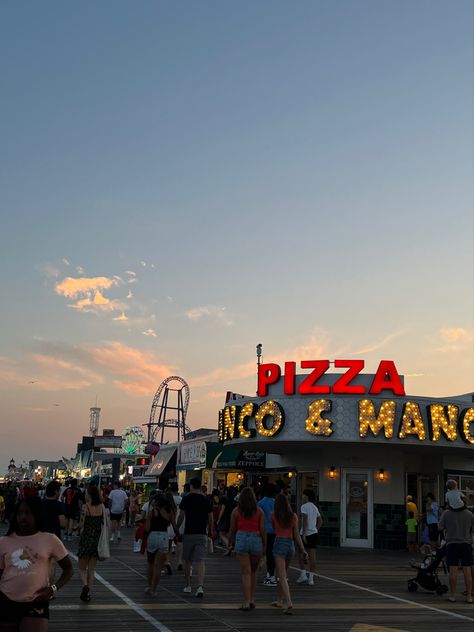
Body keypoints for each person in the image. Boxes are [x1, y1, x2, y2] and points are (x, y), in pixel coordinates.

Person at [0, 496, 73, 631]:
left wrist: (53, 589)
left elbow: (68, 569)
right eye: (20, 513)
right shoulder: (3, 542)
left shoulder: (49, 539)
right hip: (6, 601)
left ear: (37, 515)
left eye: (28, 513)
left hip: (36, 601)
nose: (23, 517)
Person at [229, 487, 266, 610]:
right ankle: (251, 599)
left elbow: (232, 529)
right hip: (256, 539)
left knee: (246, 573)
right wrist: (264, 543)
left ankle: (245, 601)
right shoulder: (259, 511)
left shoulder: (236, 511)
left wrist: (230, 542)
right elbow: (262, 530)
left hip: (241, 538)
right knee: (254, 572)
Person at [176, 477, 213, 598]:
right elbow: (211, 517)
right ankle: (200, 586)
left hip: (189, 533)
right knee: (201, 561)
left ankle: (188, 585)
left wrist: (176, 528)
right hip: (202, 533)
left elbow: (181, 515)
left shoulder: (186, 499)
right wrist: (211, 530)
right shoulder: (206, 499)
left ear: (191, 486)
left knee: (187, 560)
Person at [271, 493, 307, 614]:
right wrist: (303, 550)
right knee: (283, 575)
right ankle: (279, 600)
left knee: (281, 576)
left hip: (279, 543)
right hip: (290, 545)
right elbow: (297, 535)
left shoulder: (273, 515)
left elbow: (274, 529)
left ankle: (288, 602)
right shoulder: (293, 516)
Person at [438, 503, 474, 602]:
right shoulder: (469, 514)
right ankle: (469, 597)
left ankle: (452, 596)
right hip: (466, 544)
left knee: (453, 571)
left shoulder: (446, 513)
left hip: (452, 544)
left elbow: (439, 527)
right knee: (467, 571)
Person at [77, 485, 107, 603]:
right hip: (96, 539)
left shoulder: (85, 507)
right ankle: (88, 591)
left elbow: (81, 524)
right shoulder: (102, 507)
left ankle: (84, 585)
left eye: (86, 493)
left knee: (82, 568)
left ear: (89, 495)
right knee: (92, 569)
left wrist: (75, 528)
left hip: (86, 539)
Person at [145, 493, 177, 597]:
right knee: (159, 566)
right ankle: (154, 590)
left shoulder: (152, 512)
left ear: (156, 501)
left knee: (150, 564)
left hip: (153, 536)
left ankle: (149, 586)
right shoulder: (169, 512)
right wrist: (178, 536)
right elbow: (174, 526)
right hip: (164, 537)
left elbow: (147, 528)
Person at [297, 489, 323, 585]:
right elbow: (320, 521)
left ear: (306, 496)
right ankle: (311, 578)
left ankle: (303, 575)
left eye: (303, 495)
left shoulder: (304, 506)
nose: (302, 496)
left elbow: (305, 520)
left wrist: (303, 533)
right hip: (313, 534)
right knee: (313, 556)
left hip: (305, 533)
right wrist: (315, 529)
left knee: (301, 553)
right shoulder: (315, 507)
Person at [258, 483, 277, 586]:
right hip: (275, 531)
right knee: (272, 553)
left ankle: (270, 575)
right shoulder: (275, 502)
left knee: (266, 553)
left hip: (264, 531)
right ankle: (271, 574)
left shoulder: (260, 503)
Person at [217, 487, 237, 554]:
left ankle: (229, 546)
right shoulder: (235, 502)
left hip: (225, 518)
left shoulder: (225, 500)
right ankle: (228, 550)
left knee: (221, 533)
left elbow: (222, 510)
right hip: (232, 519)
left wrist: (219, 519)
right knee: (229, 534)